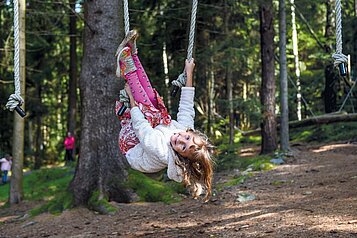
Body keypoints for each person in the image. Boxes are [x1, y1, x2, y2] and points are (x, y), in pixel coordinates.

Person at [115, 30, 214, 201]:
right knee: (153, 102)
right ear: (191, 132)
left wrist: (131, 97)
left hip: (131, 144)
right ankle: (133, 56)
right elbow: (186, 107)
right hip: (147, 126)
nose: (181, 139)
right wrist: (189, 73)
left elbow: (141, 128)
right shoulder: (183, 130)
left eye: (183, 147)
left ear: (181, 156)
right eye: (187, 137)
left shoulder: (162, 151)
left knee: (151, 111)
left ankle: (126, 64)